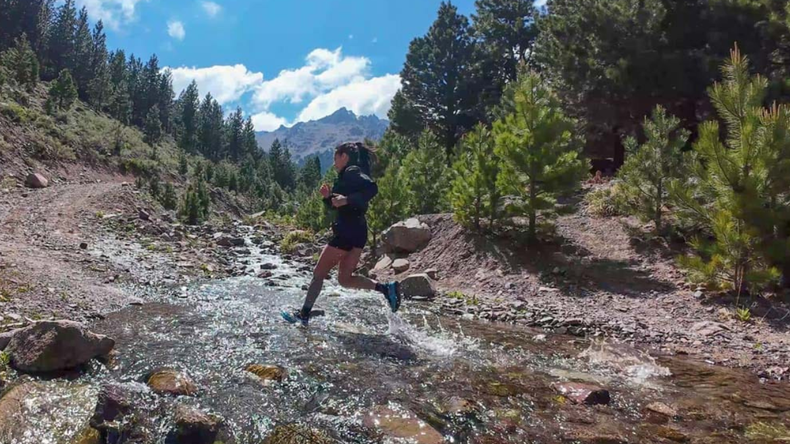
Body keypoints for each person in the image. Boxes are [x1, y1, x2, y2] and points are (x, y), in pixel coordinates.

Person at [281, 142, 401, 326]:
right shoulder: (349, 175)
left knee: (318, 273)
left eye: (335, 158)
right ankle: (385, 289)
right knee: (345, 279)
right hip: (358, 232)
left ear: (344, 156)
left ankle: (303, 315)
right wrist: (327, 197)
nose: (333, 163)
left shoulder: (352, 171)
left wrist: (345, 199)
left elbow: (372, 189)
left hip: (347, 231)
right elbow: (341, 204)